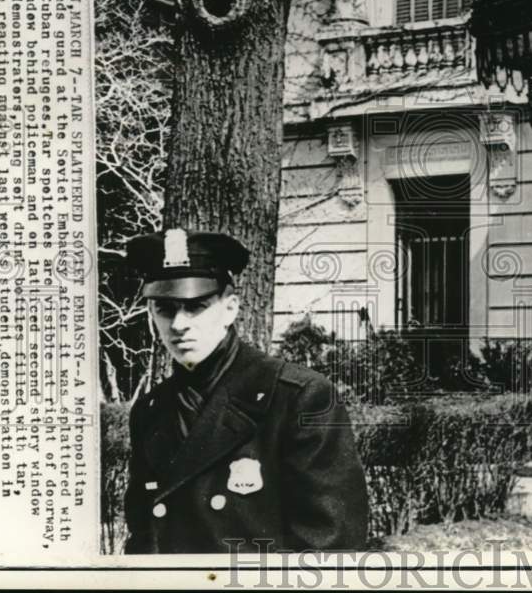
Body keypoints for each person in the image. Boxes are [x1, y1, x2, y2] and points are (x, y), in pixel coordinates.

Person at [122, 228, 369, 553]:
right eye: (165, 309)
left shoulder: (298, 398)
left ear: (230, 308)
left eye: (195, 306)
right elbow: (143, 540)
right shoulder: (150, 411)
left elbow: (330, 545)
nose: (179, 324)